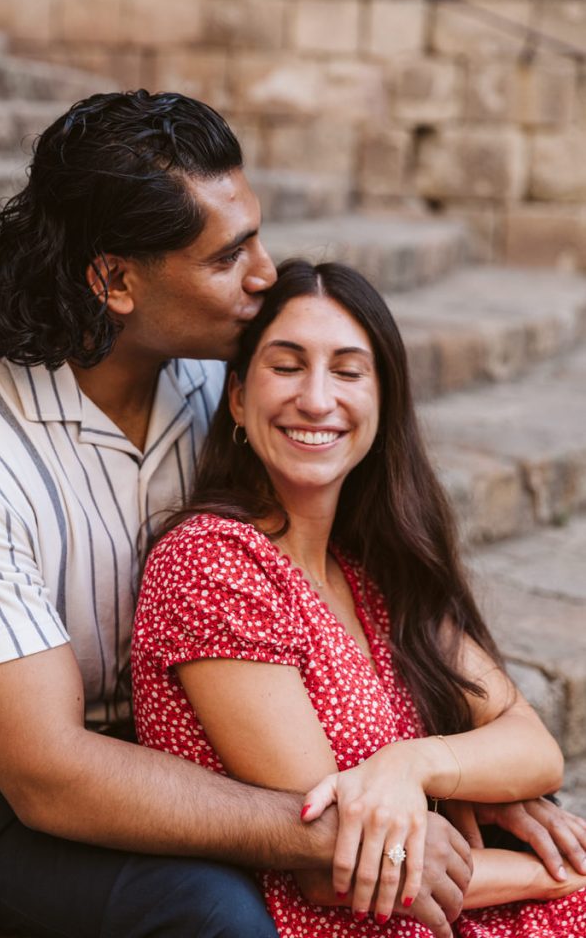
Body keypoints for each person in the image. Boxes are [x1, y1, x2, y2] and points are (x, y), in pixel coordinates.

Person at [0, 91, 579, 938]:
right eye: (228, 257)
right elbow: (49, 772)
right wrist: (339, 830)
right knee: (212, 916)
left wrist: (460, 775)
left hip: (178, 729)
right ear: (114, 280)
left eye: (255, 235)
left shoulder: (217, 385)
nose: (263, 274)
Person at [131, 259, 586, 936]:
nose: (316, 399)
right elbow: (335, 863)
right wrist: (556, 873)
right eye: (286, 366)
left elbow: (533, 749)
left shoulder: (370, 567)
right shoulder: (213, 564)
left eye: (347, 371)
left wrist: (413, 765)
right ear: (235, 396)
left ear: (381, 401)